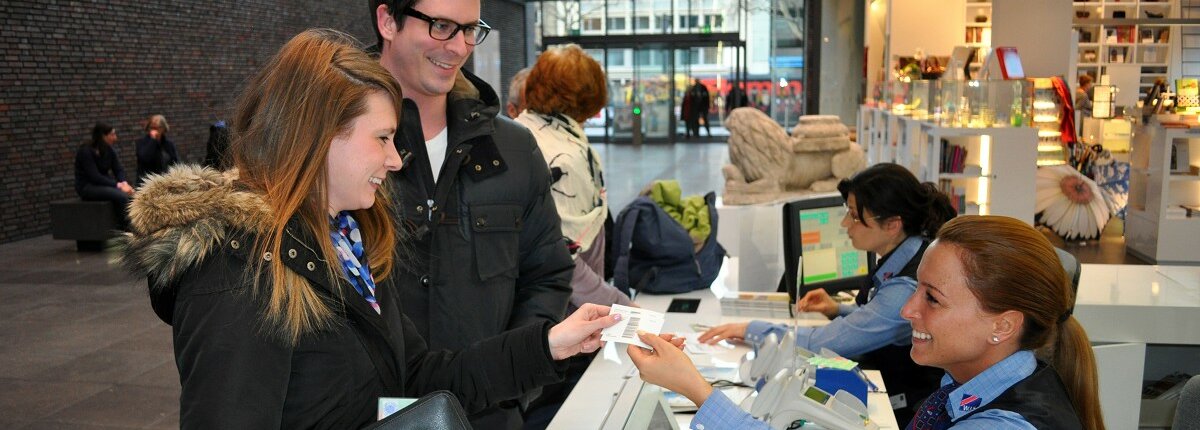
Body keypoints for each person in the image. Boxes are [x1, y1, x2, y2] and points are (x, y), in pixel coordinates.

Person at [119, 29, 620, 430]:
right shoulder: (236, 274)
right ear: (319, 137)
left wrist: (549, 345)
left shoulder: (348, 246)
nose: (395, 159)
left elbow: (420, 377)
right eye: (382, 138)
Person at [630, 216, 1104, 430]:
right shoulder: (972, 387)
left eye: (932, 298)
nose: (907, 311)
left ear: (1003, 325)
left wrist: (699, 392)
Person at [371, 1, 575, 428]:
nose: (460, 47)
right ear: (388, 21)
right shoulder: (337, 150)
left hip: (491, 415)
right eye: (442, 26)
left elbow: (547, 275)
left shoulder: (515, 150)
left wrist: (515, 385)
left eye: (470, 29)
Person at [697, 162, 957, 423]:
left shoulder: (906, 286)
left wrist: (750, 329)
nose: (845, 223)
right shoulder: (910, 256)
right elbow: (880, 314)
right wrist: (837, 308)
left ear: (892, 225)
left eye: (854, 216)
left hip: (901, 409)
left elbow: (822, 342)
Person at [514, 44, 634, 428]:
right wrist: (618, 305)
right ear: (590, 98)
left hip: (525, 322)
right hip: (563, 325)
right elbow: (564, 258)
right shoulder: (562, 157)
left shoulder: (520, 134)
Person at [74, 122, 134, 226]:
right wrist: (119, 186)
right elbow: (94, 177)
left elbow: (118, 169)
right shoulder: (86, 151)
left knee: (131, 193)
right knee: (121, 196)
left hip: (103, 184)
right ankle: (125, 229)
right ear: (103, 136)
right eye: (112, 134)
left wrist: (124, 182)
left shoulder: (109, 150)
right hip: (87, 187)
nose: (115, 138)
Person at [134, 114, 179, 186]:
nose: (154, 131)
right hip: (148, 183)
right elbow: (144, 158)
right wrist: (153, 140)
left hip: (166, 181)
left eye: (157, 128)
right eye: (152, 128)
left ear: (163, 129)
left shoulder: (169, 144)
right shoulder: (141, 142)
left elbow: (175, 162)